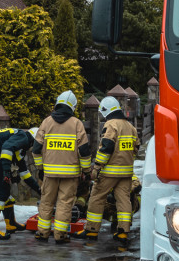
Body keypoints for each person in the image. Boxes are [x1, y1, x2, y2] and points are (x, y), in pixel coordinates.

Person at [80, 96, 141, 244]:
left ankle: (91, 230)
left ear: (106, 111)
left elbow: (106, 146)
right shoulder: (130, 127)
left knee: (96, 197)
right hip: (126, 172)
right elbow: (136, 147)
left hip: (109, 172)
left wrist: (98, 166)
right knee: (124, 200)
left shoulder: (111, 125)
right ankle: (122, 232)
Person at [33, 91, 91, 244]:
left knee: (46, 202)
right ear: (73, 106)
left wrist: (40, 168)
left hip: (49, 173)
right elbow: (84, 151)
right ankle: (60, 235)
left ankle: (42, 233)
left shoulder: (46, 122)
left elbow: (36, 149)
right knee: (64, 204)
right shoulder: (77, 124)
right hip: (70, 174)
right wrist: (86, 171)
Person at [0, 126, 41, 240]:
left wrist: (40, 190)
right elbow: (6, 148)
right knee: (1, 193)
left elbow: (25, 174)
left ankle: (11, 225)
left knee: (6, 193)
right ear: (34, 140)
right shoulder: (23, 137)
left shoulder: (20, 148)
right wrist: (6, 171)